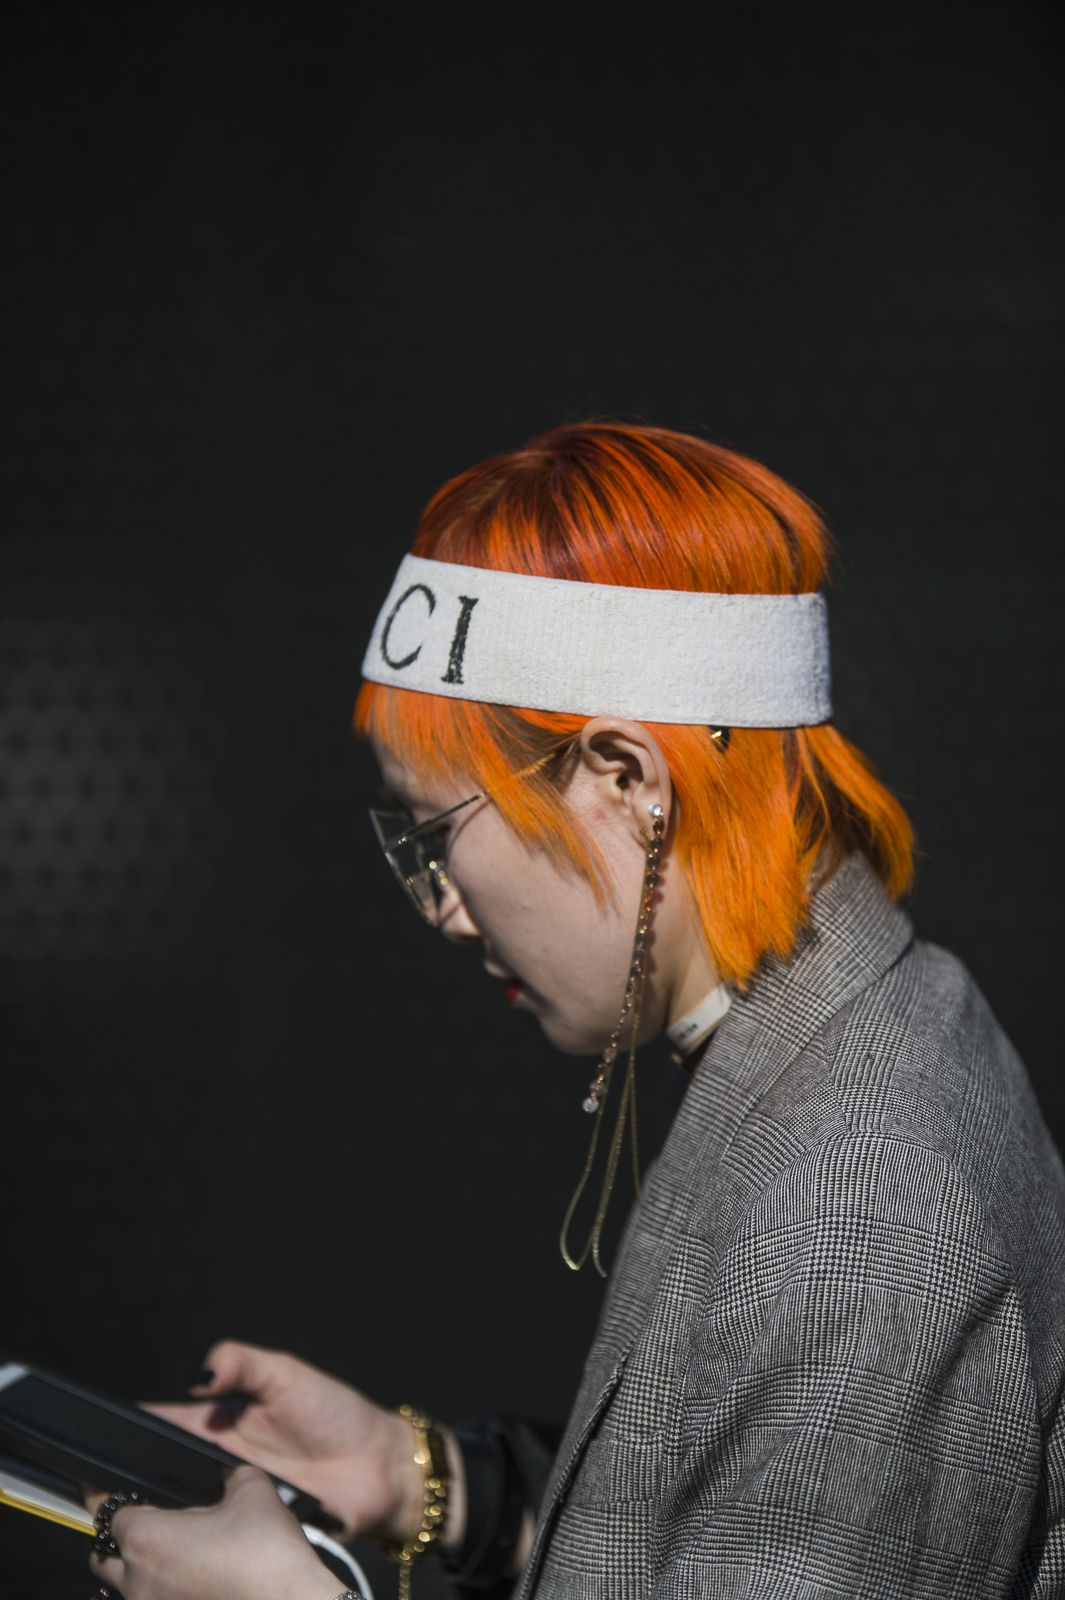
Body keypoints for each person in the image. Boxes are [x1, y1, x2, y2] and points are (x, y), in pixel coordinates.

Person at [88, 423, 1065, 1599]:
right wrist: (431, 1481)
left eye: (439, 833)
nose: (442, 908)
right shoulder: (860, 1034)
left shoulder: (852, 1209)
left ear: (627, 779)